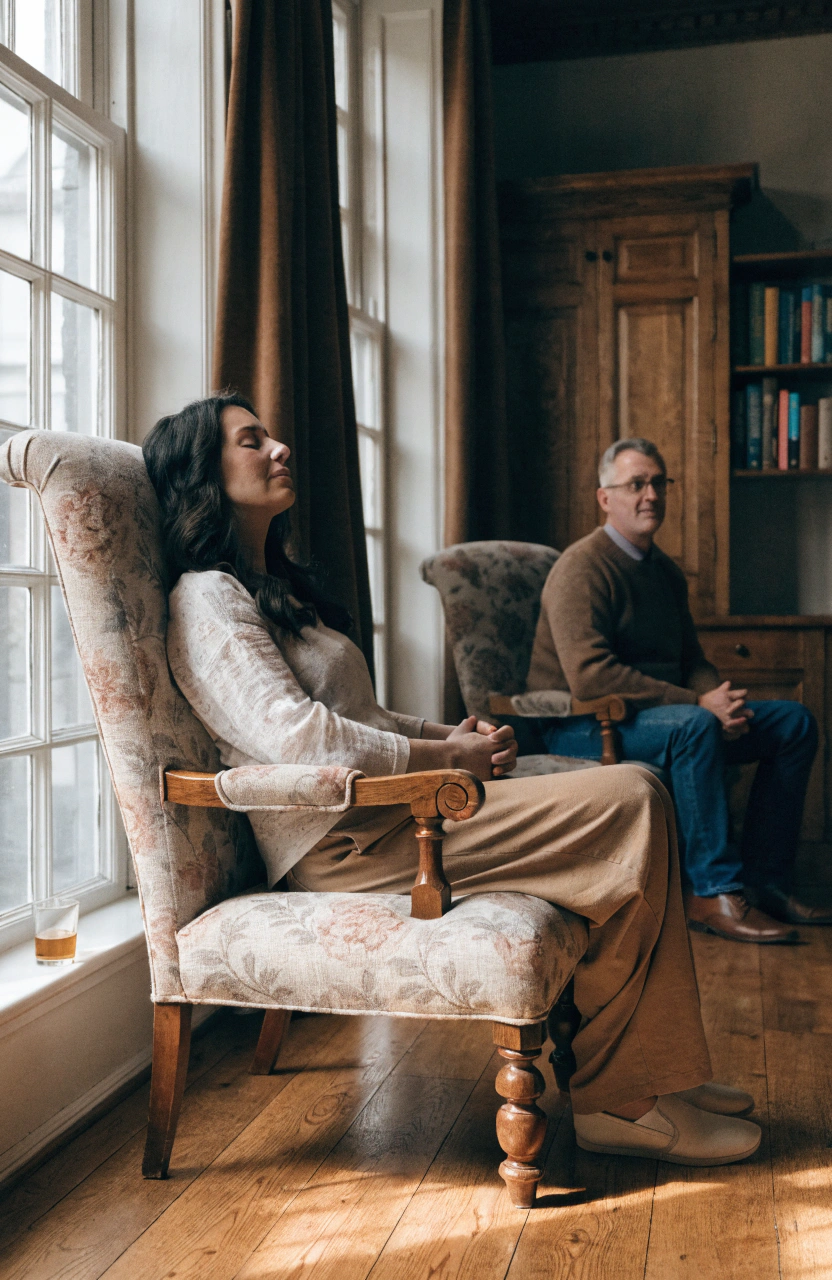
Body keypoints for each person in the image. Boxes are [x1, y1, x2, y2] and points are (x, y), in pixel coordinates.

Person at [142, 393, 761, 1166]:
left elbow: (354, 715)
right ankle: (626, 1102)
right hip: (349, 842)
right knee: (633, 798)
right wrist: (442, 763)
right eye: (250, 440)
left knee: (641, 788)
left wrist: (443, 735)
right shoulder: (205, 599)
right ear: (206, 473)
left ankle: (652, 1075)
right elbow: (299, 742)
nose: (278, 448)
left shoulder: (271, 589)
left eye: (270, 434)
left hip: (394, 814)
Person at [527, 436, 828, 945]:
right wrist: (698, 705)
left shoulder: (664, 572)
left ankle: (767, 882)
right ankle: (713, 892)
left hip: (653, 716)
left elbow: (692, 660)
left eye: (658, 483)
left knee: (793, 723)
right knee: (693, 727)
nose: (651, 496)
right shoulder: (581, 568)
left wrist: (721, 700)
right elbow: (591, 677)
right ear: (606, 498)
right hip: (579, 724)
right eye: (636, 484)